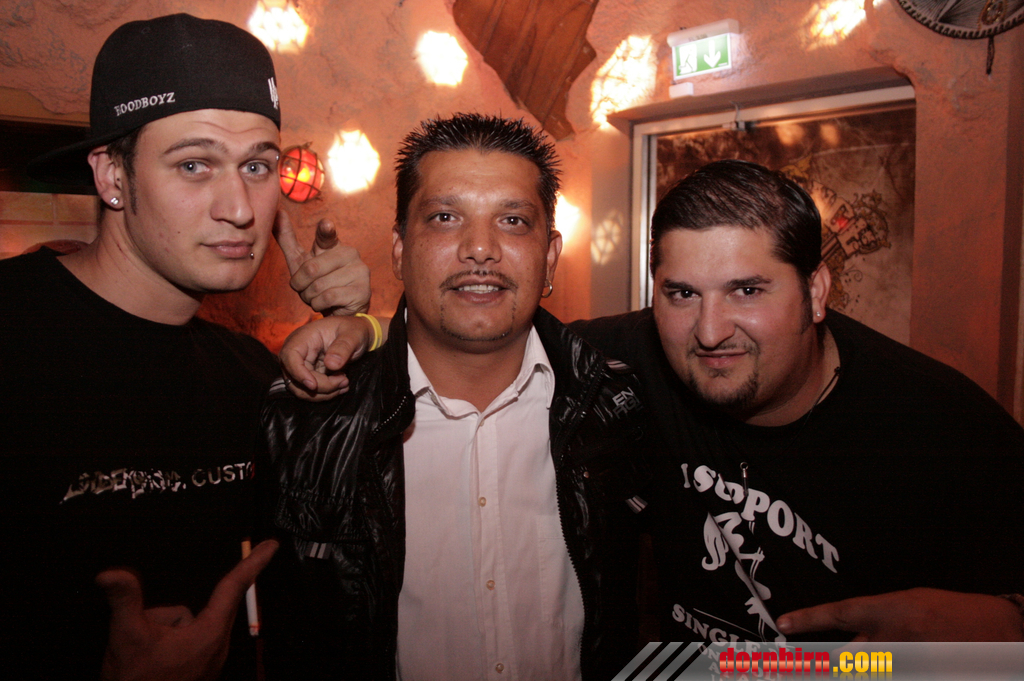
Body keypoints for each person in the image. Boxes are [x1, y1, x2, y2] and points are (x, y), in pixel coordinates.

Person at [282, 159, 1024, 645]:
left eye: (748, 290)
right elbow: (494, 328)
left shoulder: (939, 427)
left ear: (817, 290)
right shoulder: (636, 356)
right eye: (681, 293)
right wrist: (370, 327)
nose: (710, 330)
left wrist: (1008, 630)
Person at [0, 14, 369, 680]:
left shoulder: (250, 377)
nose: (240, 207)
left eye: (257, 165)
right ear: (112, 176)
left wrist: (357, 331)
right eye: (194, 164)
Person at [257, 113, 649, 680]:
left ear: (550, 256)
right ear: (398, 251)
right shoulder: (304, 422)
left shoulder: (616, 403)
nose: (480, 248)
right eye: (445, 218)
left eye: (513, 221)